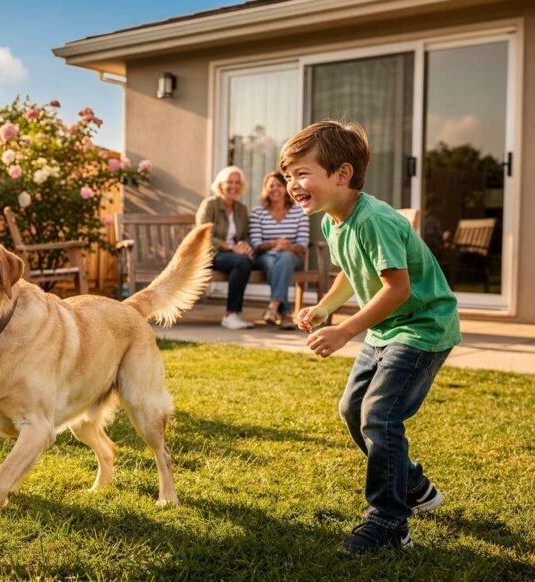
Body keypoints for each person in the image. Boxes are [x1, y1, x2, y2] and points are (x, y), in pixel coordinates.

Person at [282, 121, 460, 555]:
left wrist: (345, 329)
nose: (292, 184)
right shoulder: (334, 223)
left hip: (422, 327)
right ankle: (412, 484)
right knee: (352, 409)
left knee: (379, 415)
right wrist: (325, 308)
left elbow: (397, 289)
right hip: (387, 328)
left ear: (342, 174)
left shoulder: (375, 219)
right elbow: (351, 271)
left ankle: (390, 522)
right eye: (288, 175)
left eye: (302, 173)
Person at [249, 171, 310, 329]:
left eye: (279, 185)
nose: (275, 189)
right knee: (273, 263)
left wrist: (289, 247)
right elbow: (256, 244)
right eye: (271, 186)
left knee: (285, 257)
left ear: (286, 188)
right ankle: (286, 313)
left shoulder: (299, 212)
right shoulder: (257, 212)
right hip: (265, 257)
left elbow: (303, 245)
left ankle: (273, 307)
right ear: (265, 189)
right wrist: (274, 243)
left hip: (292, 257)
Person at [196, 166, 255, 329]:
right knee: (242, 262)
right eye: (229, 182)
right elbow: (202, 234)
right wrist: (229, 246)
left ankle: (233, 315)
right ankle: (231, 315)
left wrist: (243, 244)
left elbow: (244, 236)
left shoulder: (241, 209)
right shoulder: (210, 204)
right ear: (220, 185)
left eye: (237, 183)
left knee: (244, 260)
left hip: (231, 256)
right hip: (209, 253)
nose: (234, 186)